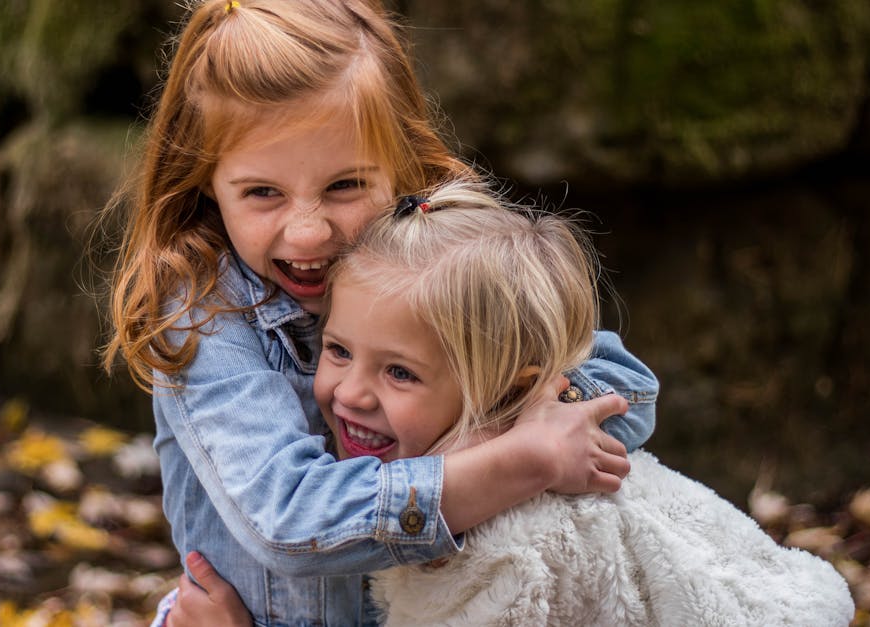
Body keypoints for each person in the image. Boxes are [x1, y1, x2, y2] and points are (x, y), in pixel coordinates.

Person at [103, 1, 658, 625]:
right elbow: (288, 518)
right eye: (264, 193)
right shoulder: (204, 312)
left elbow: (626, 392)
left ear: (400, 164)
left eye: (345, 186)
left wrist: (498, 419)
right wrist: (514, 461)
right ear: (204, 179)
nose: (309, 233)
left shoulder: (434, 264)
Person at [319, 182, 855, 624]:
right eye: (338, 349)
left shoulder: (519, 544)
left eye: (399, 373)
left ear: (508, 392)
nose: (349, 392)